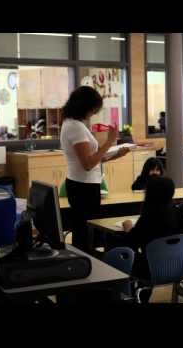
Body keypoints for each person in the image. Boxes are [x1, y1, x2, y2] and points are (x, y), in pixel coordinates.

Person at [60, 86, 130, 253]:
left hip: (83, 184)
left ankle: (87, 262)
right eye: (93, 110)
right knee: (85, 233)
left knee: (86, 231)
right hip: (83, 187)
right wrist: (109, 142)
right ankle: (86, 265)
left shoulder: (74, 124)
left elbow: (95, 158)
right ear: (85, 107)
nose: (93, 114)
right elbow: (88, 164)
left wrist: (117, 154)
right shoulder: (75, 127)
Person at [121, 177, 183, 302]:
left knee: (124, 258)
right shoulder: (178, 214)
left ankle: (129, 296)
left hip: (151, 268)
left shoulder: (148, 218)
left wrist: (128, 228)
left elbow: (131, 243)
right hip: (179, 266)